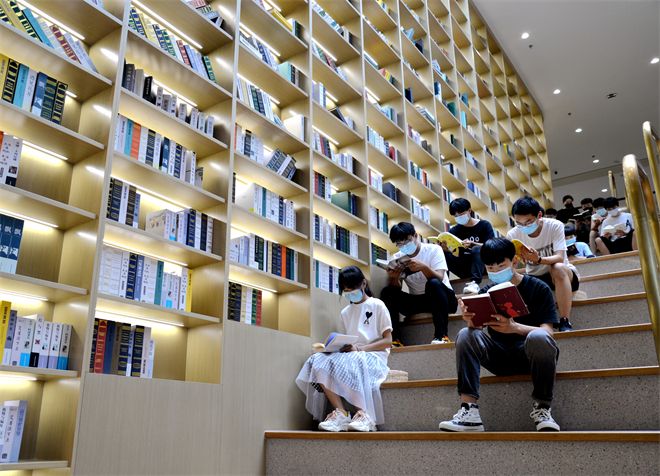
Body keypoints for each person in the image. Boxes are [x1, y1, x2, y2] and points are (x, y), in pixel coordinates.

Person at [438, 238, 561, 432]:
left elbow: (548, 332)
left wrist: (514, 327)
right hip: (499, 357)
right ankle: (469, 411)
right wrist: (470, 320)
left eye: (501, 266)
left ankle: (543, 408)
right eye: (490, 268)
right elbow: (475, 333)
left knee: (538, 337)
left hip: (531, 357)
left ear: (514, 261)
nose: (495, 271)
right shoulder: (486, 292)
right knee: (465, 334)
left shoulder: (538, 288)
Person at [296, 266, 393, 432]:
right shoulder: (345, 312)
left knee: (354, 358)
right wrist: (332, 349)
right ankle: (341, 413)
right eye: (346, 291)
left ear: (363, 284)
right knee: (317, 360)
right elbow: (346, 341)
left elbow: (388, 341)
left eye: (352, 289)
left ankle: (364, 415)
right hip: (353, 355)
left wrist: (360, 349)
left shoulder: (377, 305)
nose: (349, 293)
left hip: (374, 356)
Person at [506, 197, 579, 332]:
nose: (524, 227)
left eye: (528, 222)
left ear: (539, 215)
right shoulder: (513, 234)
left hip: (563, 275)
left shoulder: (554, 225)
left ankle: (564, 320)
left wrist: (538, 259)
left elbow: (560, 257)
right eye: (519, 223)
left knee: (557, 267)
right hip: (535, 278)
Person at [380, 222, 457, 345]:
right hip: (418, 301)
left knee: (433, 283)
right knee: (387, 292)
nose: (404, 246)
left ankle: (441, 336)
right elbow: (396, 288)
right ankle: (395, 340)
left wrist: (423, 267)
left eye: (406, 241)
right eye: (399, 244)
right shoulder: (398, 257)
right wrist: (394, 277)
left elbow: (440, 277)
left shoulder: (434, 249)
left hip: (444, 299)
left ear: (415, 236)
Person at [442, 198, 495, 294]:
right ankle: (445, 286)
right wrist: (446, 249)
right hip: (464, 267)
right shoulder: (454, 231)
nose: (458, 217)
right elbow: (455, 253)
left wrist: (473, 244)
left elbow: (492, 246)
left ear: (469, 210)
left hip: (483, 266)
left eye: (461, 214)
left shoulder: (484, 225)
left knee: (477, 249)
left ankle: (475, 282)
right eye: (455, 216)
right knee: (442, 253)